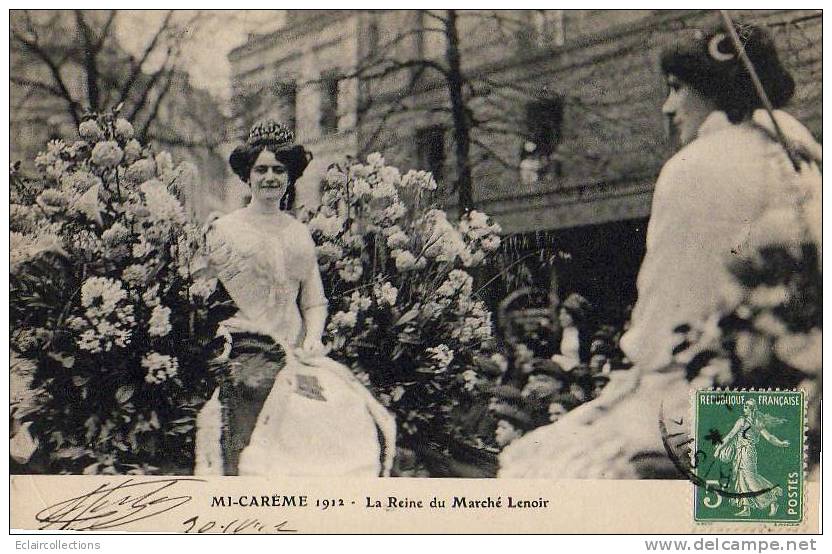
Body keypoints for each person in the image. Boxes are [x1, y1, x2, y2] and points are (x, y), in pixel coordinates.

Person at [499, 22, 820, 478]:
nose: (668, 107)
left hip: (717, 404)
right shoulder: (805, 163)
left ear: (713, 89)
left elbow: (666, 324)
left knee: (530, 470)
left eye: (676, 88)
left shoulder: (695, 168)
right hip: (801, 403)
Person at [193, 120, 396, 476]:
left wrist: (314, 337)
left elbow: (313, 301)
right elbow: (201, 297)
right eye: (261, 170)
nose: (270, 177)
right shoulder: (224, 230)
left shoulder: (299, 232)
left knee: (342, 403)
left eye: (279, 170)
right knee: (260, 392)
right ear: (248, 176)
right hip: (242, 347)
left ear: (290, 176)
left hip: (295, 351)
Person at [714, 400, 789, 517]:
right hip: (741, 452)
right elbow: (731, 435)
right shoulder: (748, 421)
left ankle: (771, 500)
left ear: (752, 409)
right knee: (742, 478)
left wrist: (780, 443)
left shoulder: (746, 421)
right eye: (744, 405)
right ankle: (746, 508)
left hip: (747, 452)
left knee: (749, 479)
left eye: (748, 406)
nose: (745, 407)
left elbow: (768, 437)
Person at [550, 293, 592, 371]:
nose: (561, 317)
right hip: (562, 368)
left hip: (579, 369)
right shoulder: (559, 333)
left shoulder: (583, 333)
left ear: (574, 316)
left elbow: (586, 357)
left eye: (565, 314)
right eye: (561, 314)